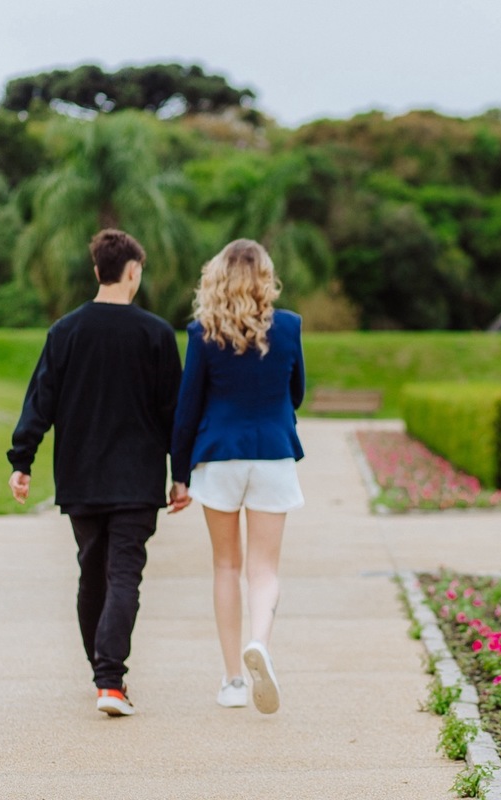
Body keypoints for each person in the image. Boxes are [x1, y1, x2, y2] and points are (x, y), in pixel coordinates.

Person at [8, 229, 187, 717]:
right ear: (133, 271)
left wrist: (21, 461)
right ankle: (110, 681)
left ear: (96, 272)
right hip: (136, 480)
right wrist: (182, 473)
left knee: (93, 572)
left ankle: (103, 673)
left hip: (81, 476)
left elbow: (39, 399)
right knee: (123, 573)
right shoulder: (155, 334)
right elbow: (174, 412)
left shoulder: (65, 331)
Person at [170, 239, 305, 714]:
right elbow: (298, 392)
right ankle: (260, 643)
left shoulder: (203, 332)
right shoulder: (289, 327)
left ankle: (231, 681)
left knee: (226, 565)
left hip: (220, 457)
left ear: (217, 277)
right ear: (266, 277)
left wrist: (179, 474)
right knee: (264, 568)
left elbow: (187, 408)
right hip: (272, 453)